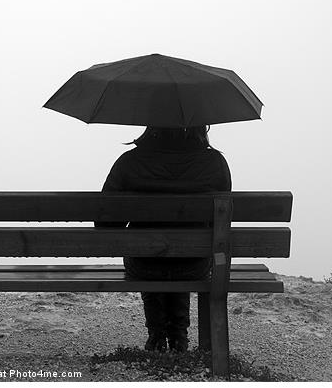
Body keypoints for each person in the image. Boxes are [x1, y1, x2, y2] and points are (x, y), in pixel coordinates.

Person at [95, 125, 231, 352]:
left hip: (144, 265)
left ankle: (157, 336)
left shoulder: (130, 162)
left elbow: (106, 223)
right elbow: (221, 222)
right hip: (194, 265)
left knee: (149, 255)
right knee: (187, 255)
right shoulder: (214, 163)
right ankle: (178, 337)